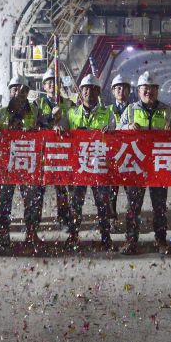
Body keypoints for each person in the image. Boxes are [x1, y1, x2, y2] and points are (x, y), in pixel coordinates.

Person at [116, 71, 171, 255]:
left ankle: (161, 240)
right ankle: (131, 241)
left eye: (152, 88)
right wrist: (127, 127)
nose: (148, 92)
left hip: (159, 165)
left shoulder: (167, 110)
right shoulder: (130, 110)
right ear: (138, 90)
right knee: (133, 206)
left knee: (159, 206)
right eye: (145, 88)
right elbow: (117, 131)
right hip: (137, 165)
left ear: (157, 90)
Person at [55, 75, 115, 250]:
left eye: (93, 89)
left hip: (99, 166)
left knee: (103, 203)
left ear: (98, 92)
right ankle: (73, 236)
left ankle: (106, 238)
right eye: (85, 89)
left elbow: (116, 136)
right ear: (81, 92)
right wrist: (58, 127)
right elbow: (60, 130)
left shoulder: (108, 114)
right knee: (75, 204)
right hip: (79, 166)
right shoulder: (71, 113)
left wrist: (111, 131)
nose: (89, 92)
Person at [0, 75, 46, 253]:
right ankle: (4, 234)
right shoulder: (0, 114)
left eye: (22, 90)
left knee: (32, 201)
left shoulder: (35, 112)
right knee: (4, 201)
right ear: (10, 91)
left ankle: (31, 233)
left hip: (28, 164)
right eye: (14, 88)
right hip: (7, 166)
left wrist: (37, 131)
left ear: (27, 92)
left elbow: (46, 131)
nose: (18, 92)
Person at [35, 68, 73, 228]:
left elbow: (74, 124)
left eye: (55, 82)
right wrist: (51, 120)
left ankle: (64, 219)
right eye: (49, 82)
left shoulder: (69, 104)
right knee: (39, 187)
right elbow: (35, 124)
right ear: (44, 86)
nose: (52, 85)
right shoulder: (37, 104)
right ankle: (34, 221)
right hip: (43, 152)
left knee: (62, 188)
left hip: (62, 152)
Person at [108, 74, 133, 221]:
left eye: (124, 88)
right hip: (112, 156)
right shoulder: (106, 110)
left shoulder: (135, 110)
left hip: (130, 156)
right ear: (113, 91)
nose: (121, 91)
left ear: (129, 91)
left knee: (131, 192)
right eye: (118, 88)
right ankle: (112, 219)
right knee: (111, 192)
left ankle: (131, 221)